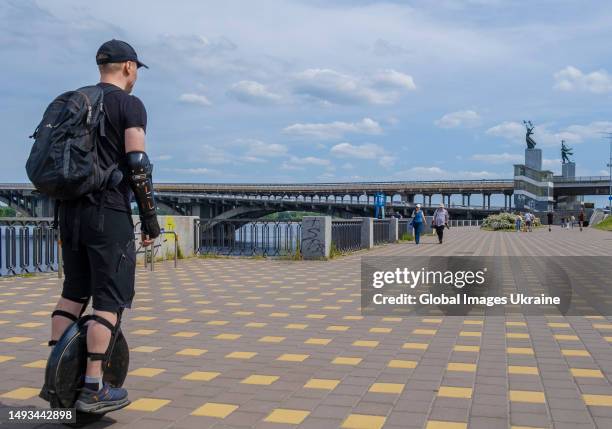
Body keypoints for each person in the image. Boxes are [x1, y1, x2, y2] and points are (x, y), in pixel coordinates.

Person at [41, 40, 161, 414]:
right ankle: (94, 386)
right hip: (108, 213)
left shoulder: (75, 99)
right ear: (127, 66)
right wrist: (150, 219)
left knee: (73, 293)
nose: (136, 74)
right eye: (137, 68)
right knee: (109, 299)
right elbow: (137, 162)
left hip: (69, 212)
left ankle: (57, 382)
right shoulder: (128, 104)